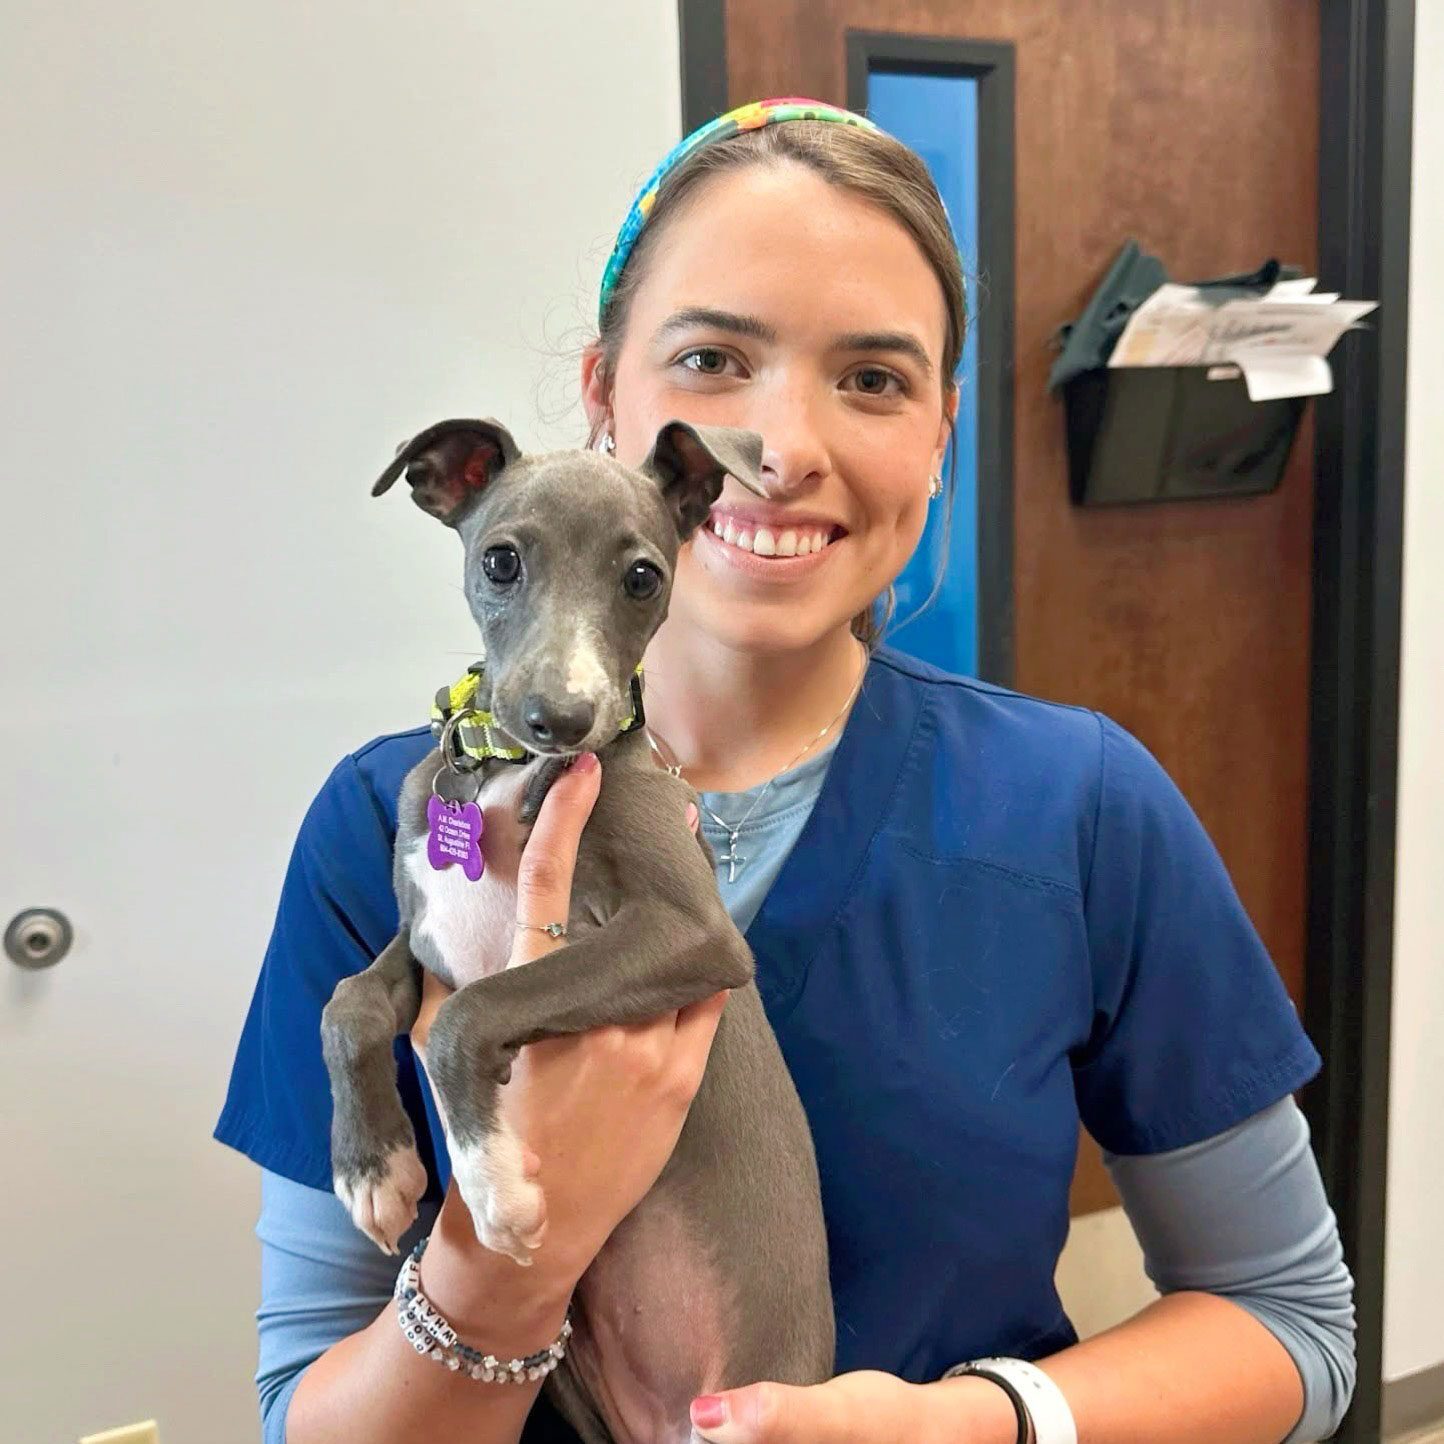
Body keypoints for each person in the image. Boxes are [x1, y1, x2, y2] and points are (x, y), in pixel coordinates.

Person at [215, 99, 1356, 1444]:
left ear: (941, 433)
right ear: (605, 397)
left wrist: (969, 1428)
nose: (785, 446)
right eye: (711, 357)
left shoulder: (1078, 810)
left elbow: (1291, 1323)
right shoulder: (391, 823)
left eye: (872, 379)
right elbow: (302, 1412)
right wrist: (497, 1276)